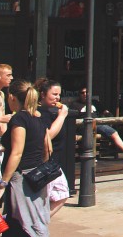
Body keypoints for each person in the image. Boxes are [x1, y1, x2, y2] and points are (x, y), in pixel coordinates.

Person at [0, 80, 49, 236]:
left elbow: (17, 152)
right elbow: (47, 149)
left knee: (27, 224)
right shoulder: (38, 118)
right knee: (22, 222)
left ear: (12, 97)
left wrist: (2, 184)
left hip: (22, 177)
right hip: (36, 175)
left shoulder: (19, 119)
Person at [35, 80, 70, 217]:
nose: (57, 98)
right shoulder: (39, 113)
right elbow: (47, 136)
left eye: (59, 95)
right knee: (44, 197)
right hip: (44, 163)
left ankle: (39, 222)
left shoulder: (52, 111)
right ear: (43, 95)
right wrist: (62, 116)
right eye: (54, 94)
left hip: (54, 162)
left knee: (61, 193)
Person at [71, 88, 123, 159]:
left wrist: (108, 113)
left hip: (97, 124)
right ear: (79, 94)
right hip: (84, 126)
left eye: (87, 92)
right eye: (82, 93)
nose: (85, 94)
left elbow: (105, 111)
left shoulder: (95, 102)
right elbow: (72, 118)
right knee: (106, 133)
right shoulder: (75, 104)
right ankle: (90, 158)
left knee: (114, 133)